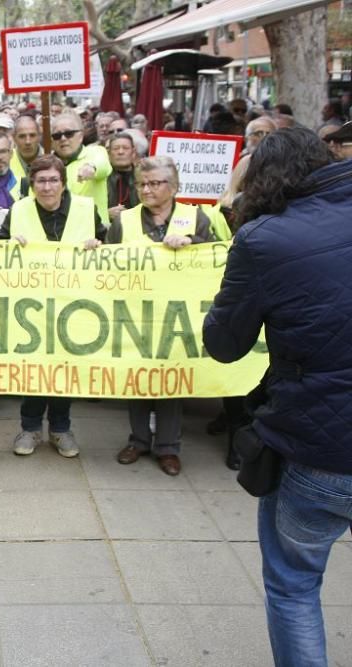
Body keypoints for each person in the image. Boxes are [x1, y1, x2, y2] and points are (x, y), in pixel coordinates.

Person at [203, 127, 350, 667]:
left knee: (293, 585)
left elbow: (223, 345)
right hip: (324, 438)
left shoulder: (264, 239)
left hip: (321, 449)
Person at [106, 156, 213, 476]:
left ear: (174, 186)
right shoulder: (124, 221)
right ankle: (138, 440)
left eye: (154, 183)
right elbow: (106, 263)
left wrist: (192, 243)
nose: (146, 189)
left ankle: (168, 447)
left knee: (171, 382)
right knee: (137, 379)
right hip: (135, 312)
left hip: (178, 316)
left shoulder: (196, 218)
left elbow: (214, 257)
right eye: (141, 184)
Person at [0, 155, 104, 458]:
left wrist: (99, 245)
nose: (46, 187)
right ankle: (29, 428)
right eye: (40, 181)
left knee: (64, 369)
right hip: (31, 306)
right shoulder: (18, 210)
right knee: (32, 368)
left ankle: (60, 428)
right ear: (32, 184)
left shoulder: (85, 209)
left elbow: (108, 249)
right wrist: (4, 244)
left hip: (74, 304)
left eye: (53, 180)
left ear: (63, 183)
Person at [106, 132, 139, 224]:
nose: (120, 152)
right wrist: (106, 214)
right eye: (116, 148)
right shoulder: (101, 179)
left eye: (126, 148)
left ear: (133, 152)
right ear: (109, 153)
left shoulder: (143, 177)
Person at [10, 114, 43, 184]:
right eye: (22, 136)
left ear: (39, 136)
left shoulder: (52, 159)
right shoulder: (5, 161)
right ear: (14, 138)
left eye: (32, 135)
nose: (28, 141)